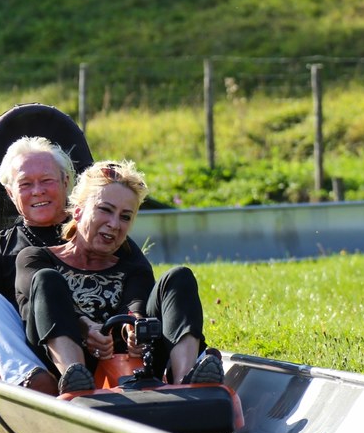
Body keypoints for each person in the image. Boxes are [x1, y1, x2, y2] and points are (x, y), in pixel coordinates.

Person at [14, 160, 223, 394]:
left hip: (130, 370)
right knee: (45, 280)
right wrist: (85, 327)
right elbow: (38, 295)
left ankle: (186, 380)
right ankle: (75, 379)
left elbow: (135, 304)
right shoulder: (34, 258)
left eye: (125, 217)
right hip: (59, 367)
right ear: (79, 210)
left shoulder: (132, 265)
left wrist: (133, 328)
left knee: (180, 277)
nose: (114, 224)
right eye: (105, 209)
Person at [0, 136, 75, 395]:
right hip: (27, 352)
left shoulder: (92, 235)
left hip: (91, 342)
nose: (37, 191)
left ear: (65, 181)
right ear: (10, 193)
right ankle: (30, 380)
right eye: (25, 184)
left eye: (46, 181)